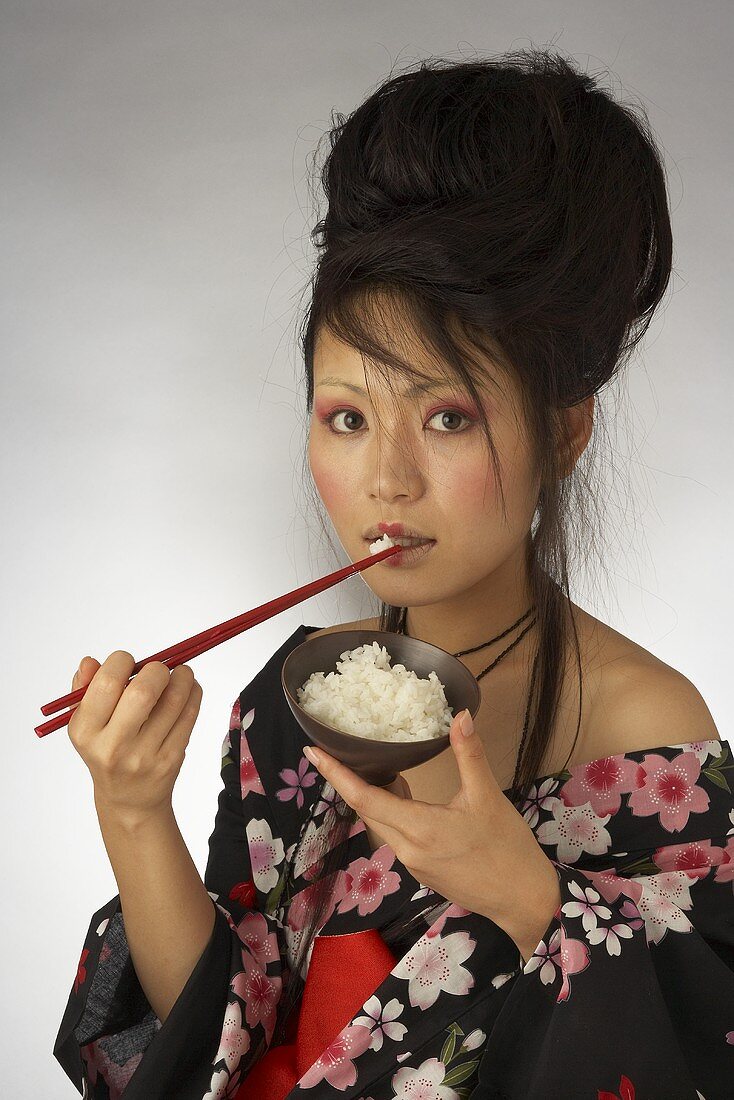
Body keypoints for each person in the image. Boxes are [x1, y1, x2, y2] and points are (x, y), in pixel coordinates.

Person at [53, 49, 734, 1100]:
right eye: (346, 417)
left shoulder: (647, 730)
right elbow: (221, 1032)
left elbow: (697, 1055)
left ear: (562, 428)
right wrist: (131, 809)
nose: (385, 477)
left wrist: (527, 894)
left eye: (447, 416)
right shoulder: (294, 701)